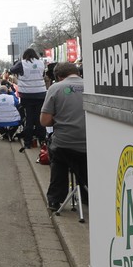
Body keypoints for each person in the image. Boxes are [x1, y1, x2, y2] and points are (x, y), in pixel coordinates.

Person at [40, 63, 88, 213]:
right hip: (89, 144)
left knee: (58, 158)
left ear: (59, 77)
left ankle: (55, 198)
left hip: (64, 144)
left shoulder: (55, 88)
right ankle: (87, 194)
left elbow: (44, 121)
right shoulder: (91, 85)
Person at [11, 47, 49, 151]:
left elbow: (12, 70)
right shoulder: (41, 63)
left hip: (27, 95)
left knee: (29, 119)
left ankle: (28, 142)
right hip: (40, 94)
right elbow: (43, 74)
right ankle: (42, 140)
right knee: (39, 118)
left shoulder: (22, 63)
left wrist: (18, 63)